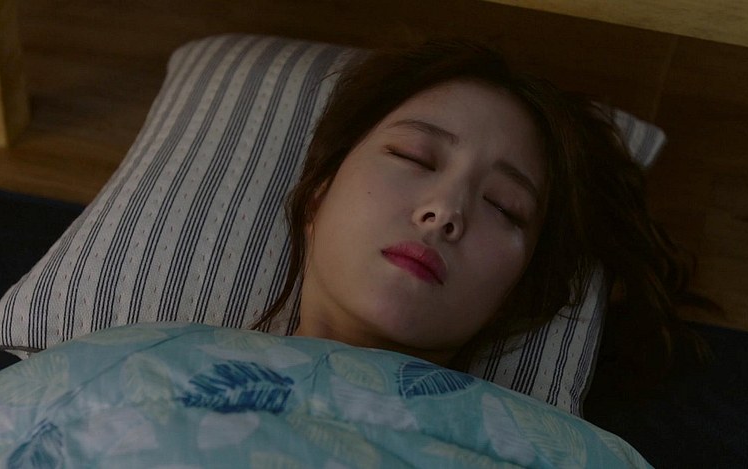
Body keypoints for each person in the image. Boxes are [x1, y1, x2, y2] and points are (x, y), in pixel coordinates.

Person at [253, 39, 714, 384]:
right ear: (318, 194)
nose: (445, 211)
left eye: (503, 206)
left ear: (516, 295)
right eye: (415, 157)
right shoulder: (202, 356)